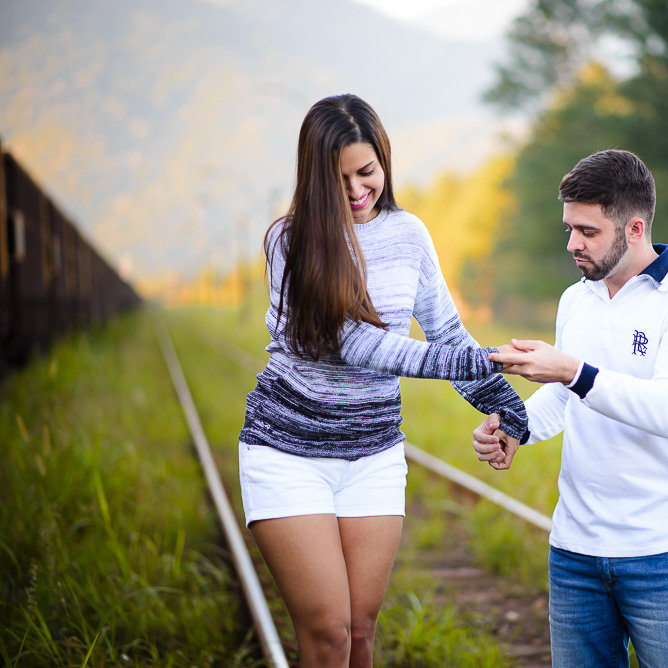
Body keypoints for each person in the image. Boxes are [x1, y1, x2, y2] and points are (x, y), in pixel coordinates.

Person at [237, 94, 528, 668]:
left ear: (385, 162)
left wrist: (509, 410)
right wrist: (479, 361)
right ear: (313, 175)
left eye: (367, 172)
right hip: (287, 451)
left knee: (361, 633)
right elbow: (352, 344)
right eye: (339, 177)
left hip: (372, 453)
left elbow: (448, 334)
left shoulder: (410, 234)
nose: (355, 189)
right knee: (327, 634)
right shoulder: (289, 242)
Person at [473, 149, 668, 667]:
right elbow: (570, 398)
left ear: (635, 228)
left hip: (665, 555)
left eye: (587, 231)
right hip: (575, 553)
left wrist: (572, 370)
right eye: (569, 228)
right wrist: (515, 426)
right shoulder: (577, 299)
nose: (572, 244)